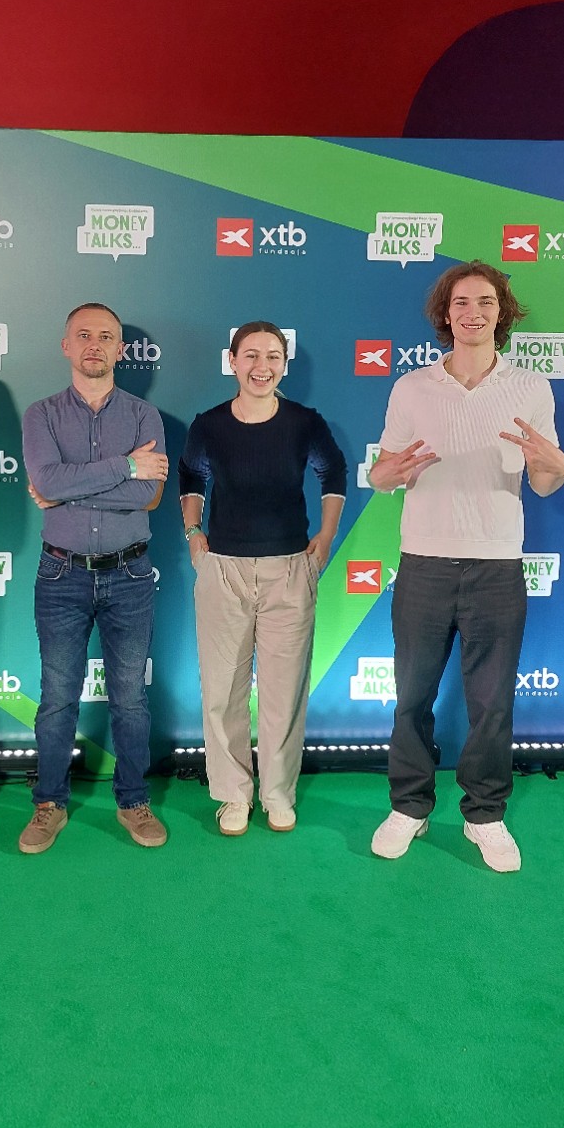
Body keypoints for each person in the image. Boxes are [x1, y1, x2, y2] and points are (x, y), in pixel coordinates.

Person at [368, 260, 564, 873]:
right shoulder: (411, 387)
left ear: (501, 313)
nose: (473, 312)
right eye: (461, 302)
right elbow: (383, 473)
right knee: (412, 696)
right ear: (445, 313)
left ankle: (484, 815)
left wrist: (557, 466)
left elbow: (545, 480)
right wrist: (385, 474)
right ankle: (409, 806)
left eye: (485, 302)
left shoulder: (531, 387)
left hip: (496, 566)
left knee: (491, 703)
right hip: (424, 563)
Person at [178, 322, 346, 836]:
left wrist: (326, 538)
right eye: (250, 355)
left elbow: (334, 473)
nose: (262, 366)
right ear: (232, 361)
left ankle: (277, 795)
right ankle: (233, 794)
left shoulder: (304, 423)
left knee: (283, 693)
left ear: (284, 365)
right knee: (222, 692)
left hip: (289, 571)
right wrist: (193, 533)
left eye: (273, 356)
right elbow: (191, 475)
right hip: (224, 571)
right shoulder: (208, 425)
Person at [19, 303, 169, 852]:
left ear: (121, 350)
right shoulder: (41, 414)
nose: (95, 345)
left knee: (129, 698)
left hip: (130, 572)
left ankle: (133, 801)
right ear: (66, 345)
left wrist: (68, 489)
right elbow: (46, 480)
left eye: (106, 337)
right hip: (62, 573)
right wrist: (125, 465)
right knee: (58, 697)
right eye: (83, 335)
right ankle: (49, 803)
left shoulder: (145, 416)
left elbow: (148, 495)